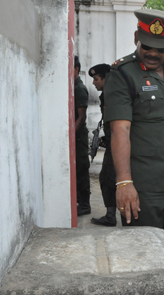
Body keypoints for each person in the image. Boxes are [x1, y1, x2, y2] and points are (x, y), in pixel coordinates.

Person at [103, 9, 164, 247]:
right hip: (144, 185)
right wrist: (124, 182)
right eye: (147, 46)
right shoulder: (122, 73)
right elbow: (120, 130)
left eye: (161, 48)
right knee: (142, 252)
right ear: (136, 37)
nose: (153, 53)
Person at [88, 63, 116, 226]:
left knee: (107, 177)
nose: (94, 83)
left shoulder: (112, 95)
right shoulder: (107, 94)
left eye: (97, 79)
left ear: (106, 79)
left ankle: (111, 215)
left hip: (117, 145)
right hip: (113, 142)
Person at [74, 56, 91, 216]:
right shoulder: (72, 86)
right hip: (75, 135)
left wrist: (70, 134)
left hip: (79, 136)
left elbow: (81, 117)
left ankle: (85, 204)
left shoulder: (79, 88)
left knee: (81, 168)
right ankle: (79, 201)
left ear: (76, 69)